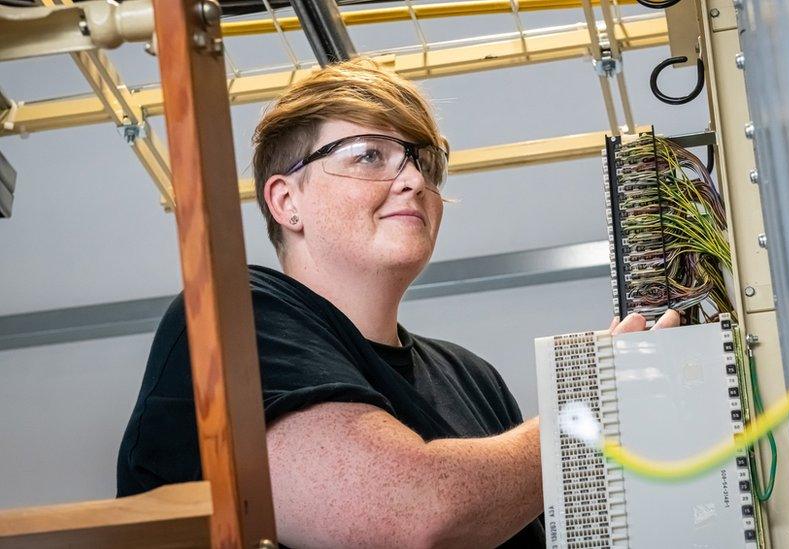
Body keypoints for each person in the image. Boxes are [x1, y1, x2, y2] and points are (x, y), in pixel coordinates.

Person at [116, 58, 678, 548]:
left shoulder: (469, 376)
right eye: (368, 155)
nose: (412, 179)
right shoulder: (234, 316)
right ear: (287, 201)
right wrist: (596, 403)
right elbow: (410, 515)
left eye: (422, 161)